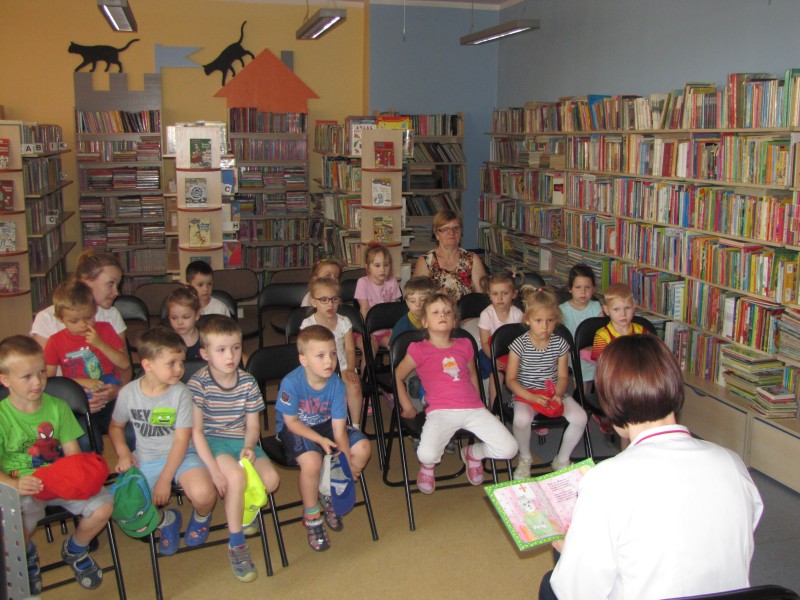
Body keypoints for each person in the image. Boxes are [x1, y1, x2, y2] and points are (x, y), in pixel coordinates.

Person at [539, 335, 763, 600]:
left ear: (610, 405)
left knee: (550, 584)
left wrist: (567, 549)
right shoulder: (732, 463)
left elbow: (578, 592)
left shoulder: (606, 481)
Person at [0, 335, 114, 593]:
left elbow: (73, 456)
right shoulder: (2, 416)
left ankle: (75, 549)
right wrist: (14, 484)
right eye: (27, 376)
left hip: (58, 481)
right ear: (5, 380)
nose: (38, 381)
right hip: (20, 486)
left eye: (42, 372)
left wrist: (80, 479)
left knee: (104, 505)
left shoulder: (58, 407)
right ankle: (25, 555)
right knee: (12, 527)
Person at [109, 327, 217, 557]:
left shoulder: (181, 393)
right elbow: (116, 427)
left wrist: (165, 479)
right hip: (146, 459)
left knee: (204, 495)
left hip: (182, 456)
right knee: (125, 510)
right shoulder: (128, 393)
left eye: (181, 362)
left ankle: (201, 517)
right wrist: (123, 452)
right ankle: (167, 520)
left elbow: (181, 439)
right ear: (148, 365)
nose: (180, 369)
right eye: (172, 363)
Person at [394, 293, 517, 494]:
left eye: (447, 312)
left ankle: (473, 453)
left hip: (473, 408)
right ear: (425, 321)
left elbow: (472, 374)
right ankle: (428, 467)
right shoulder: (418, 349)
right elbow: (398, 375)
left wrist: (480, 402)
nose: (442, 315)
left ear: (454, 321)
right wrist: (407, 406)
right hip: (440, 411)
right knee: (426, 455)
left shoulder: (465, 344)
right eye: (435, 312)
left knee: (509, 449)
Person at [189, 315, 280, 582]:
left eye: (236, 348)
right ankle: (236, 543)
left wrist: (250, 446)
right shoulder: (198, 384)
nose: (230, 356)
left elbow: (253, 426)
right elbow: (196, 431)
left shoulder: (248, 382)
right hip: (213, 442)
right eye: (221, 350)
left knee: (271, 481)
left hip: (241, 440)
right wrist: (214, 471)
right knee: (237, 478)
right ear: (205, 354)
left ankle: (243, 513)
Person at [275, 325, 372, 552]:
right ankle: (311, 515)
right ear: (304, 360)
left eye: (332, 354)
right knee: (312, 462)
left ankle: (327, 492)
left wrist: (346, 463)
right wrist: (319, 440)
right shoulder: (291, 383)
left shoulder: (337, 384)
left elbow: (339, 430)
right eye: (320, 356)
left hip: (326, 425)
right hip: (296, 428)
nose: (329, 361)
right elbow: (291, 422)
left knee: (363, 447)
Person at [31, 250, 130, 445]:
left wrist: (116, 391)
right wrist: (75, 398)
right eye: (110, 284)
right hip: (66, 400)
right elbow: (43, 379)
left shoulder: (111, 316)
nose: (116, 292)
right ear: (86, 281)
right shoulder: (47, 319)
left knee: (132, 433)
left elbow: (125, 368)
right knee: (84, 440)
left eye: (117, 285)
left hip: (107, 394)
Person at [505, 287, 588, 478]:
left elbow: (563, 377)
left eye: (550, 321)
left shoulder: (560, 344)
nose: (544, 326)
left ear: (556, 321)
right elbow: (510, 380)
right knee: (521, 419)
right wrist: (531, 397)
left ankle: (562, 459)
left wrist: (558, 394)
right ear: (527, 320)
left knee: (580, 417)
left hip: (552, 392)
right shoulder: (519, 344)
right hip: (526, 393)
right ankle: (525, 458)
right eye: (538, 321)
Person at [44, 280, 130, 400]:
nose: (83, 324)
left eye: (88, 317)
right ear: (60, 319)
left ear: (95, 310)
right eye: (74, 321)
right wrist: (82, 382)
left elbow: (125, 364)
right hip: (76, 390)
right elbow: (50, 381)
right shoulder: (55, 341)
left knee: (109, 383)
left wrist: (100, 344)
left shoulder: (105, 329)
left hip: (107, 387)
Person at [301, 277, 363, 427]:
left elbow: (350, 349)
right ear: (314, 302)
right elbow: (306, 353)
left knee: (354, 386)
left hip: (342, 365)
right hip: (317, 366)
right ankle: (323, 424)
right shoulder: (308, 324)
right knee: (323, 389)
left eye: (334, 299)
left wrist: (350, 369)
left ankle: (355, 427)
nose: (330, 304)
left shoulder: (344, 321)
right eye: (324, 300)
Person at [413, 209, 487, 301]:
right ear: (436, 234)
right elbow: (416, 299)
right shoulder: (425, 262)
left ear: (461, 232)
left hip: (467, 310)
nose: (451, 232)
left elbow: (481, 298)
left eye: (456, 228)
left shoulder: (472, 259)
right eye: (445, 229)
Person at [478, 270, 523, 406]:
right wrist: (494, 358)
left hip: (513, 353)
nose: (500, 298)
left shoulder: (518, 314)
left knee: (523, 370)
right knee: (496, 373)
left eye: (505, 293)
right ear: (489, 295)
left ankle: (522, 401)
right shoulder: (486, 315)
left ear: (514, 294)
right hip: (490, 353)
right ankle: (495, 406)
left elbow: (523, 340)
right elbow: (485, 343)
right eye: (495, 294)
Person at [559, 264, 602, 397]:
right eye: (578, 287)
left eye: (587, 287)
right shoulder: (562, 310)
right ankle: (581, 399)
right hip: (572, 353)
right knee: (582, 368)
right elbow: (559, 338)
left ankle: (603, 401)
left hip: (594, 351)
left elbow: (603, 331)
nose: (583, 292)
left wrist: (594, 346)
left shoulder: (596, 307)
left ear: (593, 289)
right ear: (570, 289)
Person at [355, 243, 401, 354]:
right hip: (366, 330)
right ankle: (366, 367)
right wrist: (367, 332)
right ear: (368, 267)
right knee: (370, 350)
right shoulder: (363, 282)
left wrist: (393, 330)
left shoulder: (392, 282)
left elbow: (393, 310)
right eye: (377, 265)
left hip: (385, 331)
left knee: (397, 347)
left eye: (386, 265)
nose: (382, 269)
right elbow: (364, 309)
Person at [590, 282, 645, 360]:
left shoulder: (642, 331)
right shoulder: (602, 336)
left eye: (627, 308)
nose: (623, 314)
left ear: (634, 306)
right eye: (616, 309)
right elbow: (600, 363)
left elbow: (650, 356)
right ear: (606, 310)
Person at [389, 276, 436, 345]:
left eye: (423, 300)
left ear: (433, 301)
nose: (418, 304)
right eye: (412, 301)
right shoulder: (402, 326)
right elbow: (393, 347)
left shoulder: (438, 319)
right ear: (407, 303)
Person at [166, 286, 203, 360]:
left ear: (197, 315)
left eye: (185, 317)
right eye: (174, 318)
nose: (179, 322)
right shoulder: (165, 342)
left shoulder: (206, 339)